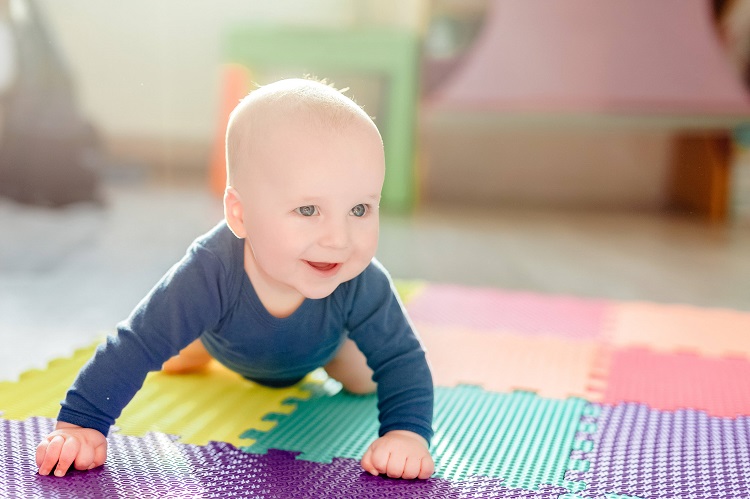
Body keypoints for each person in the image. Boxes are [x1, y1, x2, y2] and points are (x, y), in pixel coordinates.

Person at [34, 78, 434, 480]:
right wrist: (81, 425)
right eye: (309, 210)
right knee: (171, 348)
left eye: (360, 210)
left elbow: (403, 358)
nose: (339, 239)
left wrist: (407, 435)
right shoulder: (209, 270)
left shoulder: (361, 278)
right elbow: (135, 343)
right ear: (241, 215)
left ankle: (332, 351)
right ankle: (196, 343)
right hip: (223, 338)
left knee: (366, 378)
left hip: (324, 346)